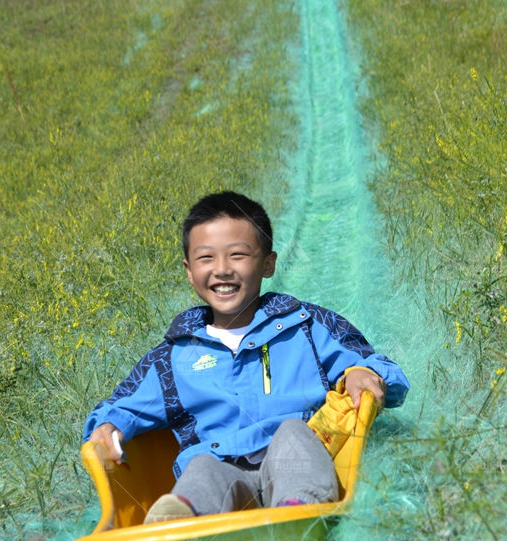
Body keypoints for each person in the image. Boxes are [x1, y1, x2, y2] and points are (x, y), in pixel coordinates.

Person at [83, 192, 409, 523]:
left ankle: (296, 517)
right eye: (206, 258)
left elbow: (382, 369)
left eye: (238, 255)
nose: (222, 270)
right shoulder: (173, 357)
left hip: (296, 467)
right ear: (189, 270)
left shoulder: (306, 327)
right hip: (223, 473)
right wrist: (110, 424)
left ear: (268, 263)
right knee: (202, 467)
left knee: (293, 434)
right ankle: (176, 525)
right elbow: (118, 407)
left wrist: (360, 373)